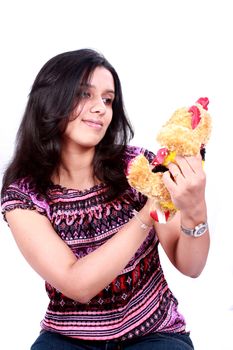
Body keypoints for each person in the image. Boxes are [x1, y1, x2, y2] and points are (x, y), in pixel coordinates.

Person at [1, 48, 210, 350]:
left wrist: (195, 210)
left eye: (108, 99)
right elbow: (78, 285)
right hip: (67, 339)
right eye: (85, 94)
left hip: (153, 333)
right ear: (50, 100)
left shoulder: (138, 169)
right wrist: (147, 214)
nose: (100, 107)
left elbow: (190, 265)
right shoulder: (24, 196)